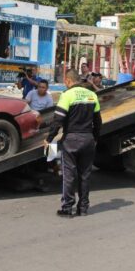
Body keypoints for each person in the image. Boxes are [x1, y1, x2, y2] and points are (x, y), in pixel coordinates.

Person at [45, 69, 102, 218]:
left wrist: (49, 139)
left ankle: (67, 208)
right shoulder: (92, 96)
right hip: (88, 139)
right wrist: (95, 138)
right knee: (85, 175)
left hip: (71, 140)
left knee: (69, 175)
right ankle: (83, 208)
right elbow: (98, 121)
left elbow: (58, 120)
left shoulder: (67, 95)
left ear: (69, 81)